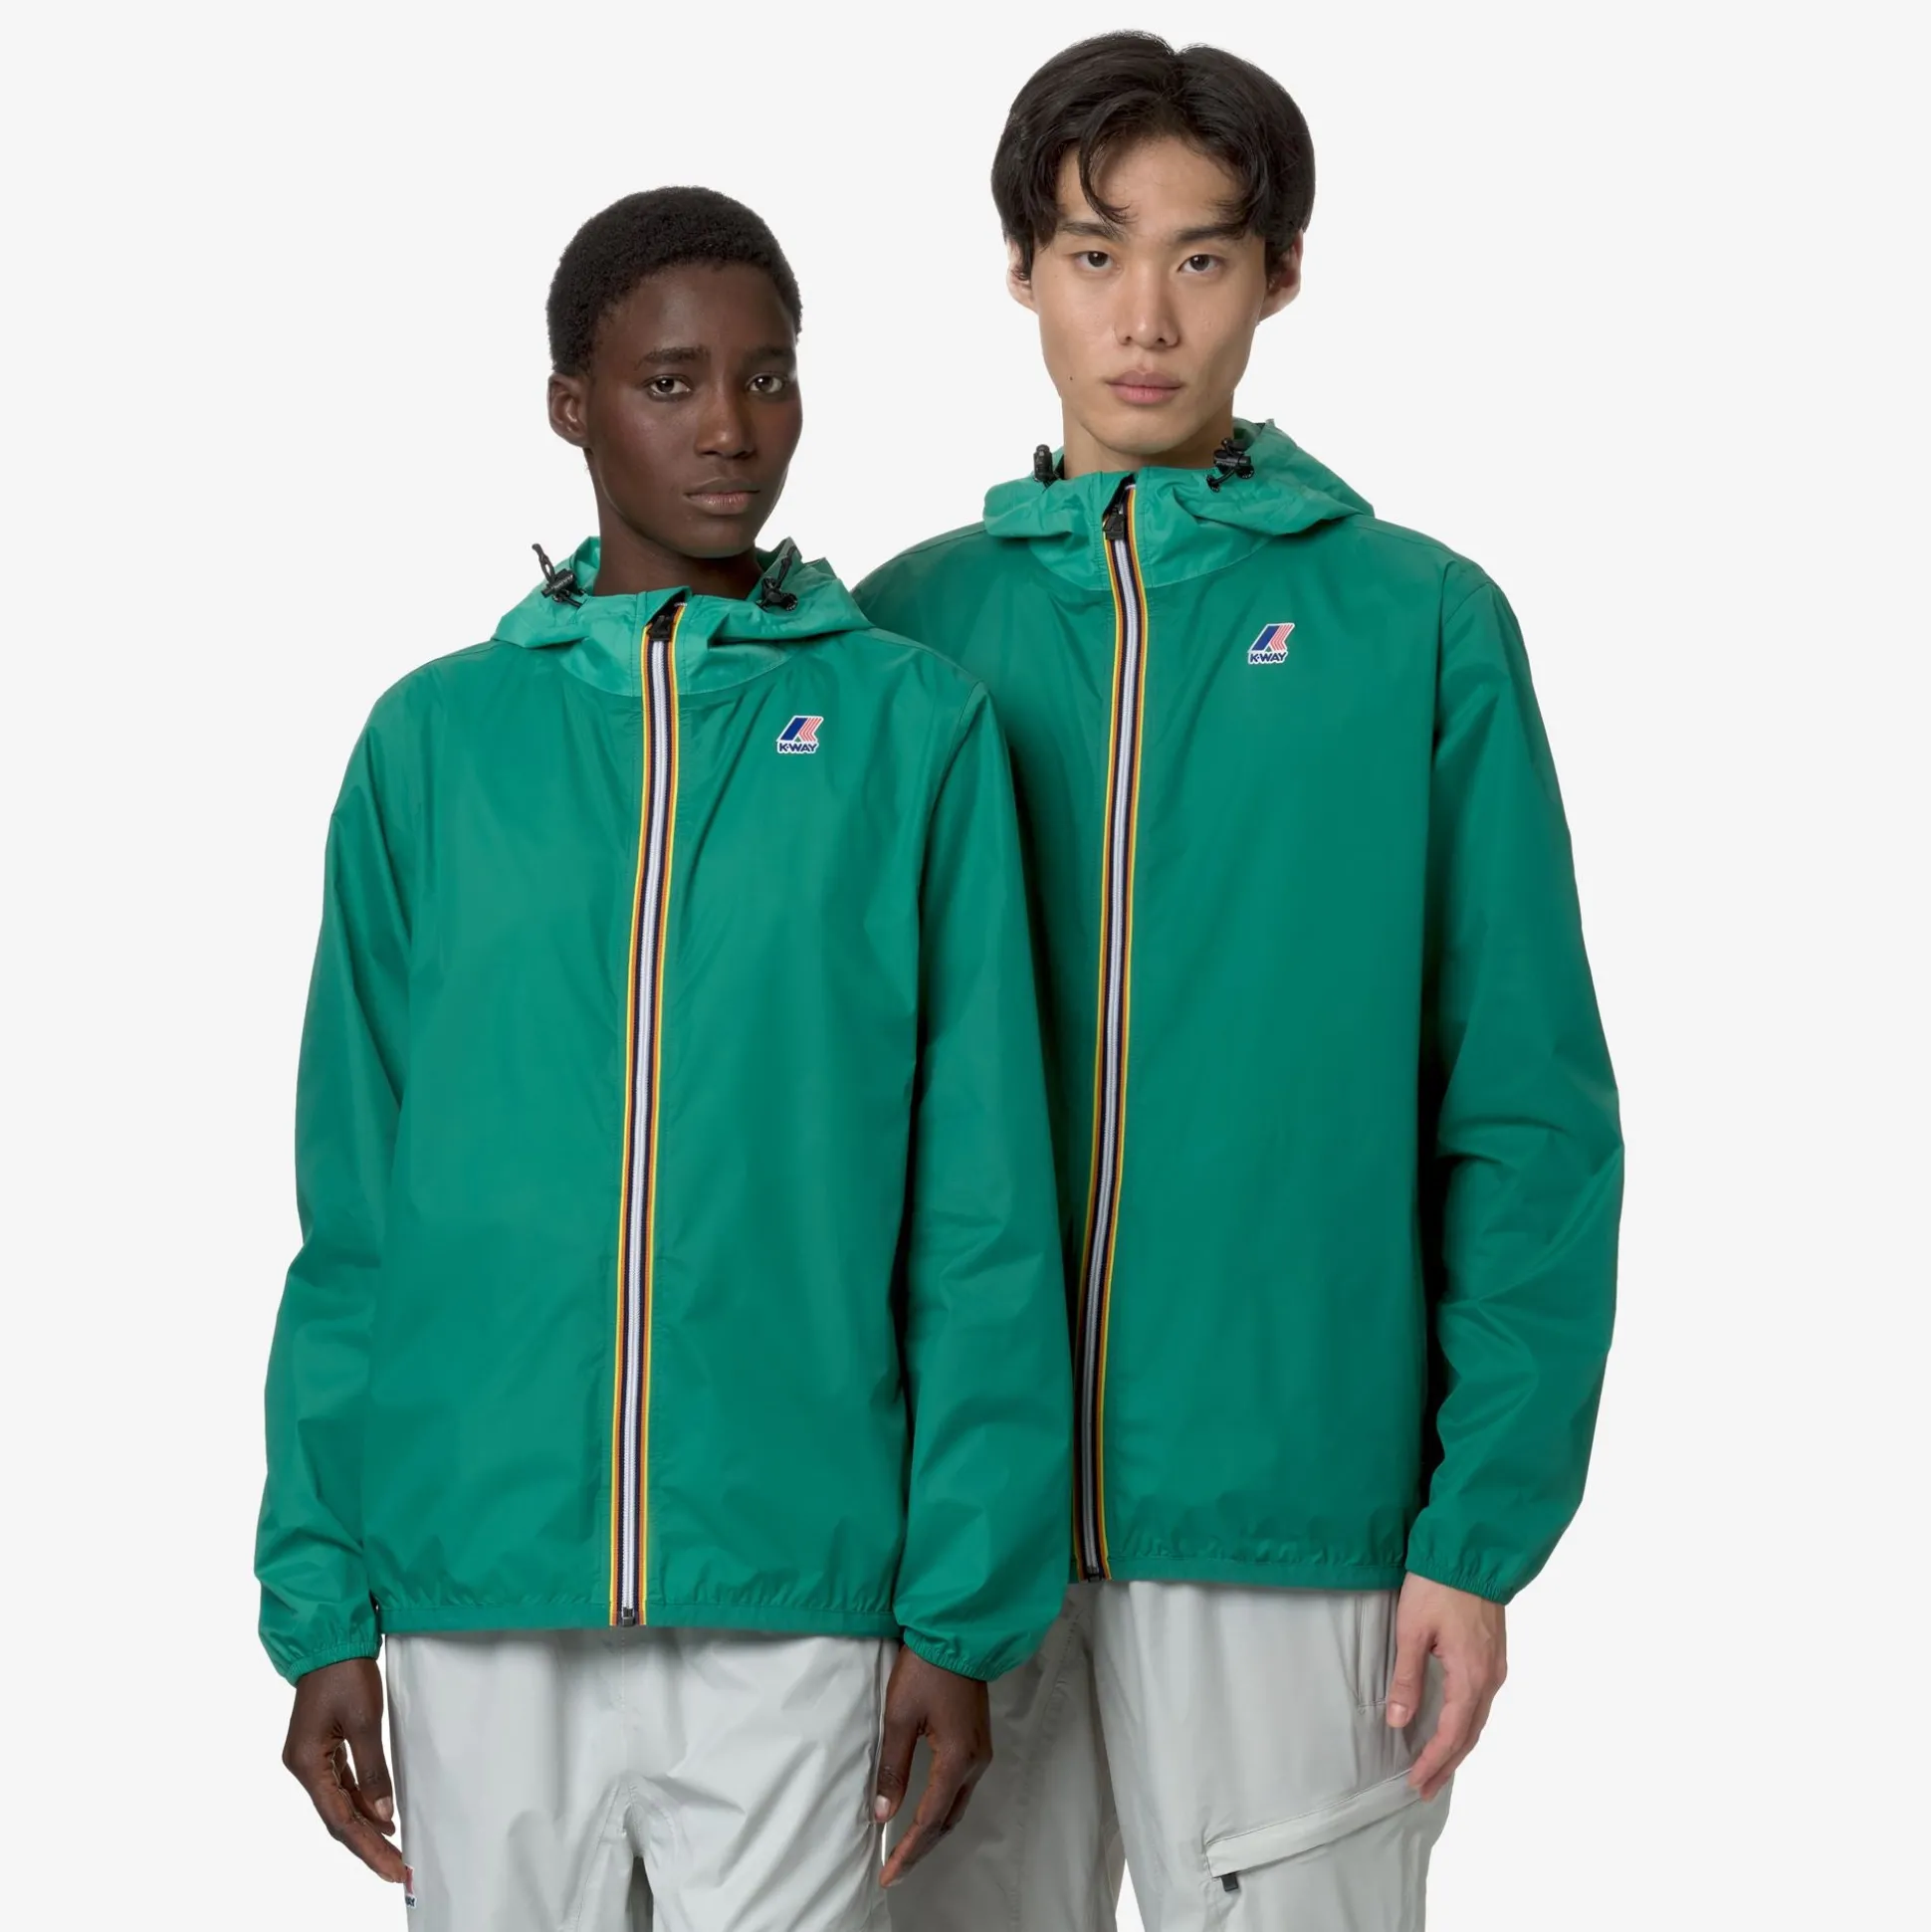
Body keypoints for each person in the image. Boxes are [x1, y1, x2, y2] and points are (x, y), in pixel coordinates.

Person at [855, 34, 1622, 1932]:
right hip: (953, 1542)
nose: (1146, 318)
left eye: (1202, 257)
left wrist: (1477, 1532)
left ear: (1279, 275)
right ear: (1019, 268)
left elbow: (1524, 1107)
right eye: (1094, 253)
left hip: (1299, 1528)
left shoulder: (1419, 626)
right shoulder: (898, 639)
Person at [255, 185, 1071, 1932]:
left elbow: (983, 1213)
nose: (730, 430)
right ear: (573, 403)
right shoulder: (433, 744)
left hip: (796, 1591)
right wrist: (323, 1608)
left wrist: (957, 1617)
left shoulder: (910, 730)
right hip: (482, 1586)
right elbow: (358, 1221)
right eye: (672, 382)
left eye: (768, 379)